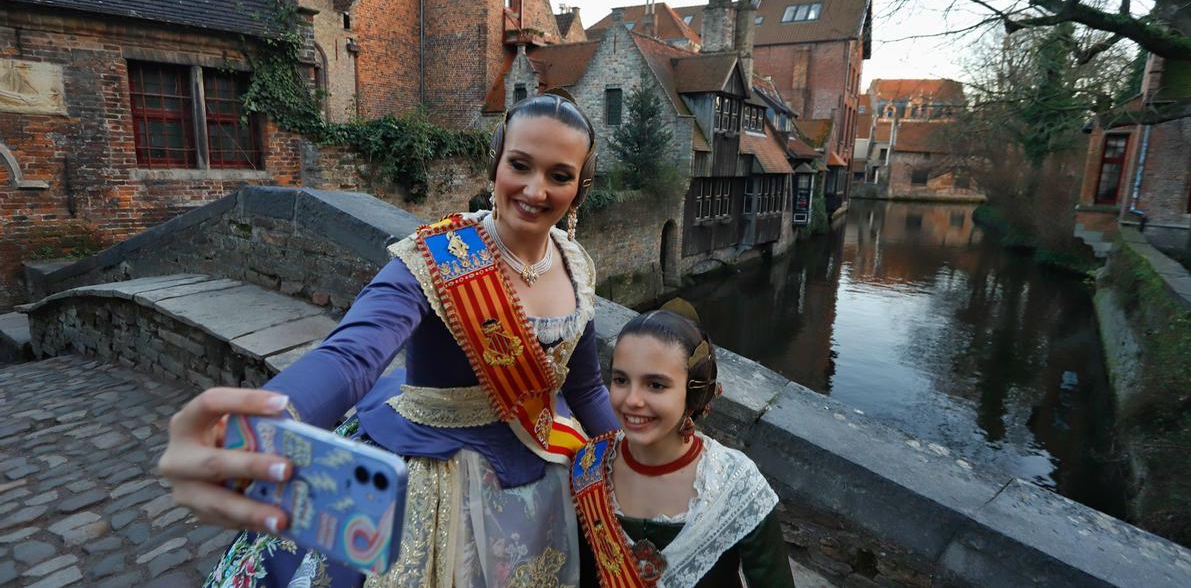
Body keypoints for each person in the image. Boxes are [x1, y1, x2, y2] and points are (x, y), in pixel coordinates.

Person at [159, 92, 620, 587]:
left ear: (580, 187)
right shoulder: (434, 258)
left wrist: (625, 456)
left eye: (559, 175)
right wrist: (261, 421)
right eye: (520, 165)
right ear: (495, 164)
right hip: (431, 478)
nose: (534, 189)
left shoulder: (576, 266)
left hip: (535, 471)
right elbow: (351, 357)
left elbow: (586, 387)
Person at [571, 306, 795, 587]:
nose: (632, 400)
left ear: (692, 392)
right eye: (621, 380)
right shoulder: (588, 466)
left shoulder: (737, 485)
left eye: (655, 385)